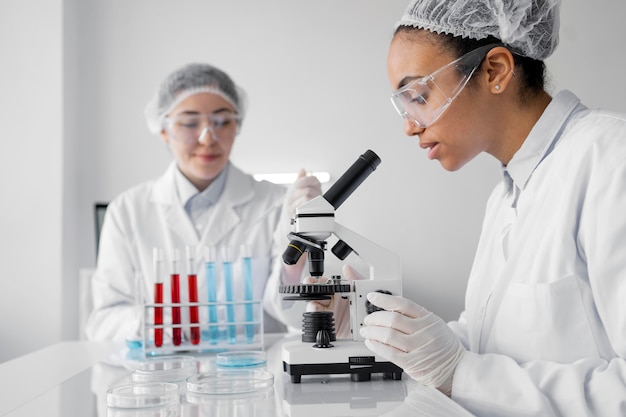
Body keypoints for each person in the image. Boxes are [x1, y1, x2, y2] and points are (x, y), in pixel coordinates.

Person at [353, 1, 626, 415]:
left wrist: (459, 373)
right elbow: (490, 343)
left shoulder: (610, 159)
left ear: (494, 71)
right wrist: (391, 338)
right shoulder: (507, 194)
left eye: (419, 96)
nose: (409, 125)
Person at [85, 63, 321, 342]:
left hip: (255, 378)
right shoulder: (127, 211)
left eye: (222, 121)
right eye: (189, 123)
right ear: (164, 130)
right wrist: (158, 323)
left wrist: (293, 258)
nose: (207, 138)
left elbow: (296, 315)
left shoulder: (274, 204)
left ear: (238, 126)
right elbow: (103, 322)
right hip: (164, 378)